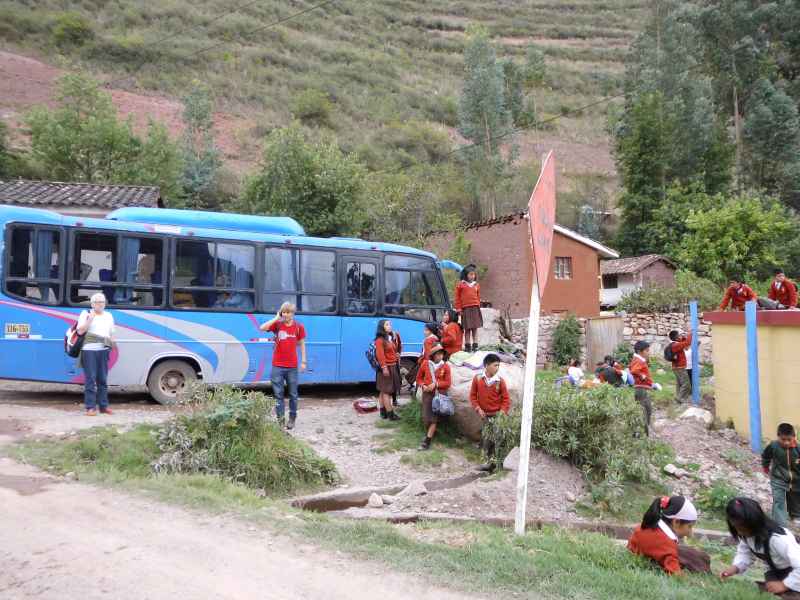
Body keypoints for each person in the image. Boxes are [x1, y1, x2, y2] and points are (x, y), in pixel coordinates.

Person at [721, 497, 800, 598]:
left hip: (794, 571)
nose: (740, 532)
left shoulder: (778, 539)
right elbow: (744, 553)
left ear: (756, 522)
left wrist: (784, 585)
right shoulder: (746, 535)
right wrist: (735, 568)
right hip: (775, 572)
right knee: (770, 591)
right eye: (736, 528)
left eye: (743, 528)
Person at [627, 495, 710, 575]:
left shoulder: (644, 526)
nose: (690, 533)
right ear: (676, 522)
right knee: (698, 559)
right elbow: (674, 573)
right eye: (689, 526)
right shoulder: (666, 545)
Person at [260, 302, 306, 429]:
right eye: (284, 312)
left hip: (292, 367)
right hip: (277, 367)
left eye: (288, 312)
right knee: (278, 395)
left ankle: (292, 418)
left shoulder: (299, 327)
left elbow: (302, 344)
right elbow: (262, 328)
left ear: (293, 313)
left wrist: (303, 361)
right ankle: (280, 420)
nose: (286, 314)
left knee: (293, 394)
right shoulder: (277, 325)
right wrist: (276, 318)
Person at [470, 353, 511, 473]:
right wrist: (478, 409)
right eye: (495, 365)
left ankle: (498, 463)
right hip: (485, 415)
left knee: (498, 439)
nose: (497, 368)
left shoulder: (500, 381)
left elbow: (506, 399)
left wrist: (502, 413)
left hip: (498, 415)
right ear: (486, 365)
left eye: (498, 365)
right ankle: (487, 463)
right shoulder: (478, 379)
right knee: (487, 439)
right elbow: (473, 396)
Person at [76, 293, 116, 416]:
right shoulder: (86, 314)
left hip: (103, 350)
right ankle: (90, 407)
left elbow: (112, 333)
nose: (100, 304)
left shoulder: (109, 315)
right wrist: (90, 319)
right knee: (90, 379)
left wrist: (111, 344)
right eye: (97, 302)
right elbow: (80, 331)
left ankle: (103, 406)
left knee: (102, 379)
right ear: (92, 304)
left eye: (102, 302)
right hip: (89, 350)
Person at [762, 423, 800, 527]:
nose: (786, 442)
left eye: (789, 439)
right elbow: (766, 456)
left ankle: (795, 516)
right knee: (778, 499)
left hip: (796, 479)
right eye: (783, 439)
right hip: (778, 478)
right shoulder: (773, 446)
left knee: (795, 497)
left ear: (794, 437)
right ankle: (780, 524)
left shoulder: (798, 448)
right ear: (778, 436)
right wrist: (765, 467)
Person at [415, 344, 451, 451]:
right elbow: (419, 378)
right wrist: (423, 385)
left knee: (434, 419)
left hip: (438, 396)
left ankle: (427, 441)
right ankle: (429, 434)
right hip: (427, 395)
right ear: (433, 355)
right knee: (426, 417)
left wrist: (436, 385)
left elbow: (448, 382)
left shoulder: (445, 366)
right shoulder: (426, 364)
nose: (440, 356)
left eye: (441, 354)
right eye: (437, 354)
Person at [629, 341, 662, 435]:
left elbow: (632, 369)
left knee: (644, 410)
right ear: (640, 351)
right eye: (647, 351)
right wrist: (643, 377)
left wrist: (651, 384)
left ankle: (638, 432)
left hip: (641, 388)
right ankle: (643, 434)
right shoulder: (639, 360)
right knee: (646, 411)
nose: (648, 353)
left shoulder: (637, 359)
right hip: (641, 389)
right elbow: (634, 370)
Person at [373, 319, 401, 421]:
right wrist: (384, 368)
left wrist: (396, 354)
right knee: (386, 392)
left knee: (382, 391)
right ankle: (391, 414)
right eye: (387, 324)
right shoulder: (380, 340)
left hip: (392, 366)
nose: (390, 326)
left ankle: (383, 412)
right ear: (382, 327)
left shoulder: (388, 338)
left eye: (390, 324)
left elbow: (391, 351)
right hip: (387, 368)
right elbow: (380, 355)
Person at [454, 264, 482, 353]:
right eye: (470, 274)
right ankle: (467, 346)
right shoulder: (461, 285)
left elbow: (478, 297)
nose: (472, 276)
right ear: (466, 275)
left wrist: (478, 305)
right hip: (465, 309)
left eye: (473, 274)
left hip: (475, 309)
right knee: (467, 329)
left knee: (475, 328)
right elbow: (457, 298)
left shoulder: (476, 285)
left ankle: (475, 345)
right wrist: (459, 309)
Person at [667, 330, 692, 404]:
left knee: (679, 384)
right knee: (686, 384)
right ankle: (680, 398)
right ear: (676, 337)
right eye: (679, 335)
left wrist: (684, 337)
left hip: (677, 367)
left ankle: (678, 399)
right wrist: (690, 334)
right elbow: (687, 343)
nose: (680, 336)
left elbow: (684, 343)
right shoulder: (676, 345)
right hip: (679, 368)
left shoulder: (675, 344)